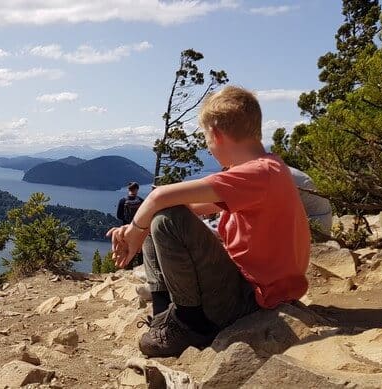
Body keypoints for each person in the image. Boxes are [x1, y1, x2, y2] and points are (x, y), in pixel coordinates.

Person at [107, 86, 310, 357]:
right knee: (163, 215)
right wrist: (136, 228)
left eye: (206, 137)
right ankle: (163, 317)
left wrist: (136, 229)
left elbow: (160, 196)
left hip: (251, 298)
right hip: (249, 287)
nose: (207, 145)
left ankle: (193, 323)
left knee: (167, 219)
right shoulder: (267, 169)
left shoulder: (259, 173)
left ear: (215, 134)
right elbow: (184, 205)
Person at [116, 182, 144, 269]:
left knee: (128, 249)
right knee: (140, 249)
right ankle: (141, 267)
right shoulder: (141, 201)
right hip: (139, 228)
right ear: (137, 189)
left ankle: (127, 268)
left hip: (126, 228)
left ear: (128, 189)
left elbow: (119, 216)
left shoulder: (123, 201)